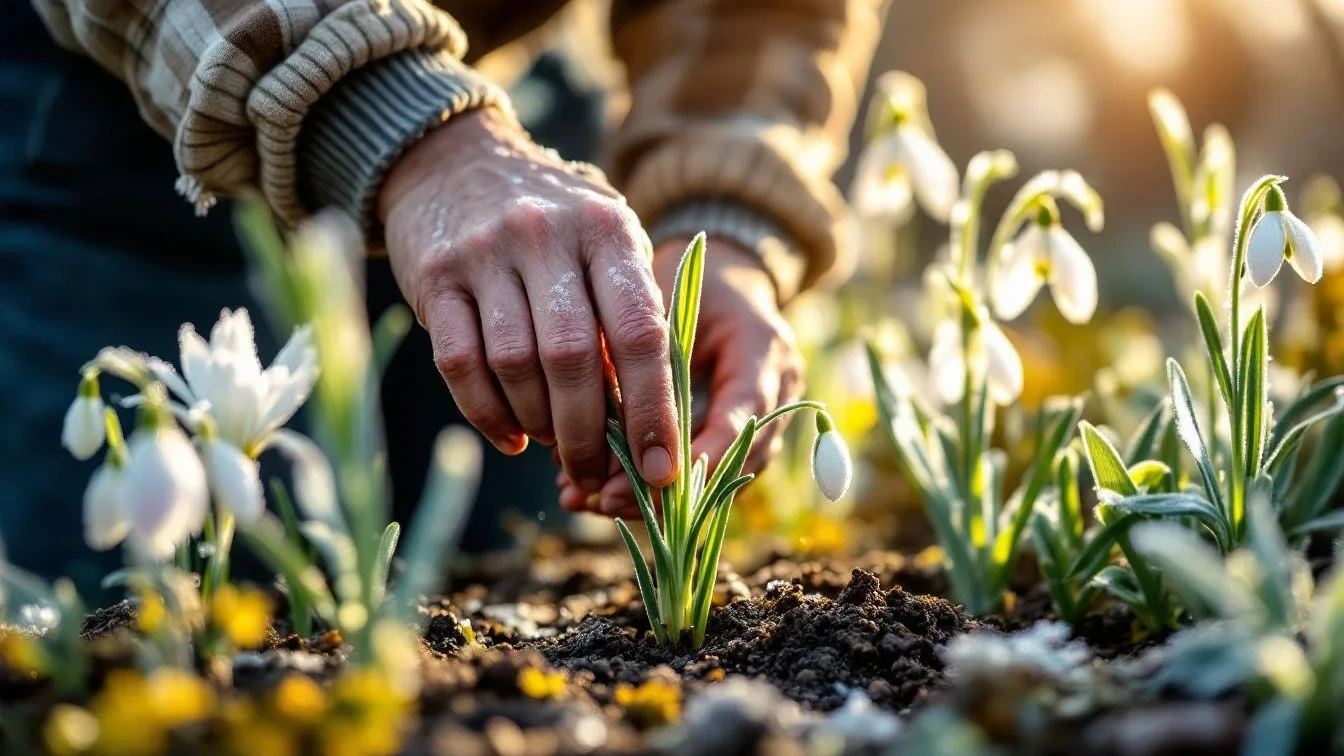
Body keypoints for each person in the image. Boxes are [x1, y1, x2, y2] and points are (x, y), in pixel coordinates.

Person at [0, 0, 889, 594]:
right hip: (135, 103)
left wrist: (718, 210)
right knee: (181, 623)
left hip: (512, 111)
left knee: (506, 595)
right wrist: (403, 124)